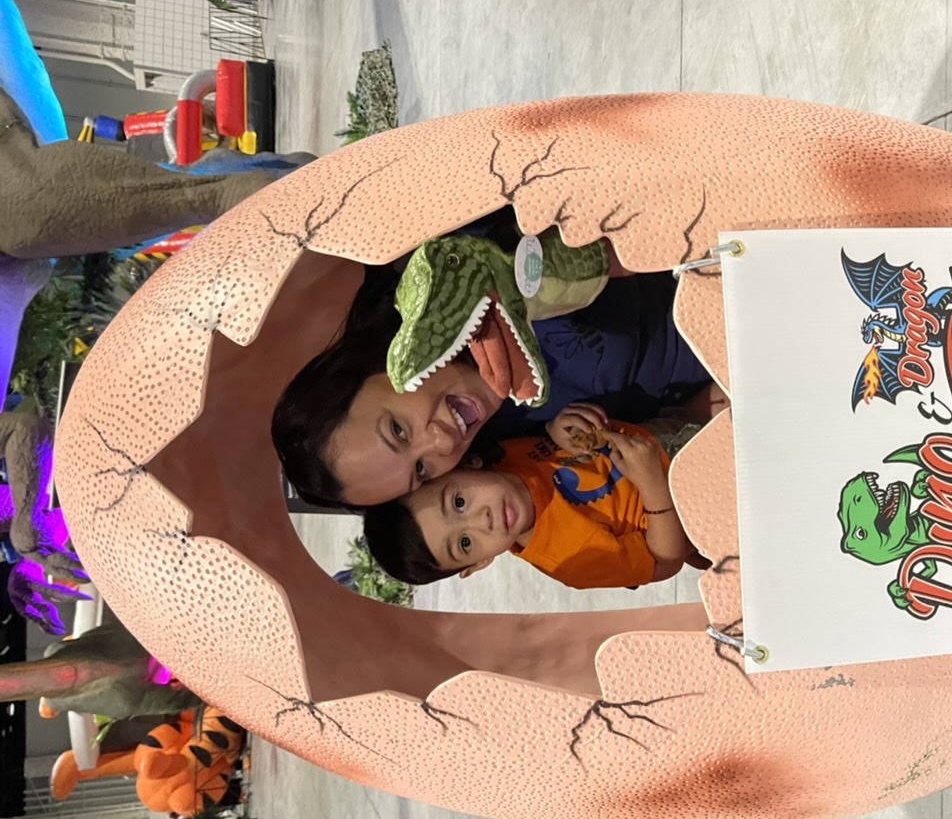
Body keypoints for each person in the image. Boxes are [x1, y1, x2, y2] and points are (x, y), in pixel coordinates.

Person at [272, 210, 715, 509]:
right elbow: (672, 418)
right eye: (421, 471)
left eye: (399, 430)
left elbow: (651, 229)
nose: (441, 444)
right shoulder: (513, 441)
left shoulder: (475, 268)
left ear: (371, 368)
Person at [362, 405, 695, 590]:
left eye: (459, 503)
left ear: (463, 465)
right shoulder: (571, 560)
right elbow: (665, 562)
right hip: (697, 504)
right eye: (465, 543)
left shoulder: (504, 451)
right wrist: (653, 485)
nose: (482, 521)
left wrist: (555, 426)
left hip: (668, 428)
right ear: (478, 563)